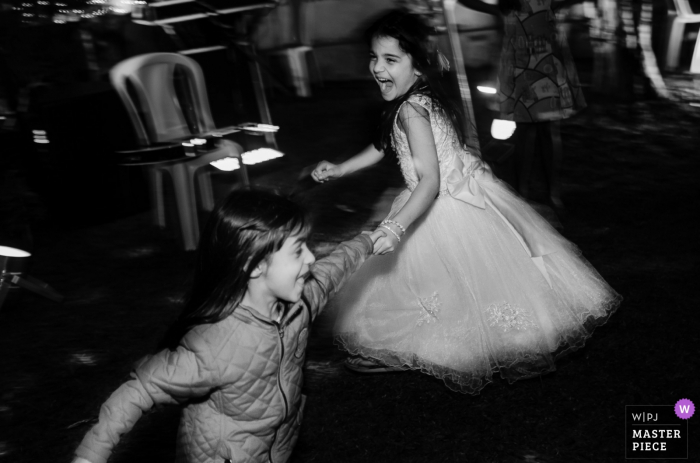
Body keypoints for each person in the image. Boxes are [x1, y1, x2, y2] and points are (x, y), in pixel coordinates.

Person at [311, 10, 620, 394]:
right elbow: (382, 146)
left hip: (442, 205)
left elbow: (429, 182)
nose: (377, 68)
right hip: (464, 196)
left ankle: (422, 346)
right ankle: (482, 339)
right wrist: (340, 168)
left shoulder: (412, 110)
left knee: (440, 280)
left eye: (390, 59)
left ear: (419, 66)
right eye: (374, 57)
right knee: (455, 281)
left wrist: (393, 228)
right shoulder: (417, 99)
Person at [71, 189, 377, 463]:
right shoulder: (216, 346)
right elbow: (140, 390)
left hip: (276, 445)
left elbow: (333, 268)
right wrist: (90, 455)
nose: (311, 257)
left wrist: (369, 241)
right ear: (256, 264)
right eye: (298, 250)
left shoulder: (301, 303)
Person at [496, 0, 587, 212]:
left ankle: (550, 192)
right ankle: (524, 192)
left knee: (547, 131)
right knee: (525, 133)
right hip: (520, 65)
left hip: (544, 63)